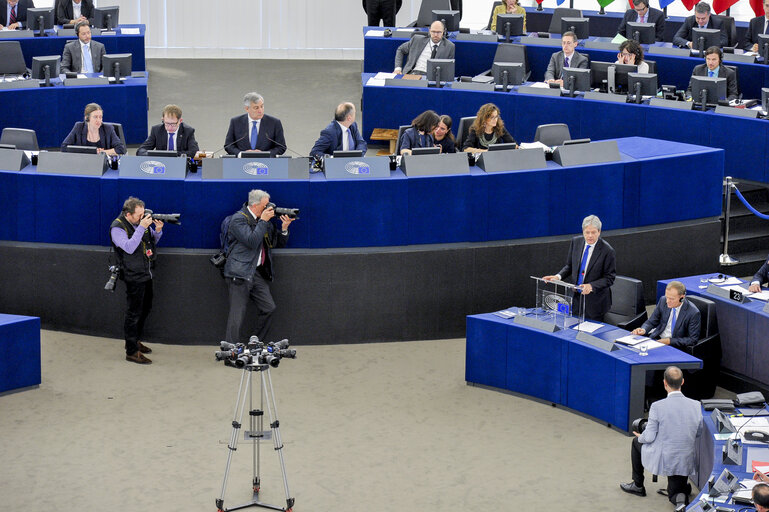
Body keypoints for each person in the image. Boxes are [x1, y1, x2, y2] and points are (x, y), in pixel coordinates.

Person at [620, 366, 703, 506]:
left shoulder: (657, 407)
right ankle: (682, 489)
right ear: (682, 382)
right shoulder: (696, 405)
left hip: (666, 458)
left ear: (664, 383)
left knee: (636, 442)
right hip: (685, 458)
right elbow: (698, 433)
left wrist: (641, 436)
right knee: (677, 488)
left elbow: (650, 437)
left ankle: (638, 485)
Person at [224, 189, 295, 344]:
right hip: (239, 273)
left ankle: (254, 341)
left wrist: (284, 228)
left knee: (269, 307)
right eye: (265, 205)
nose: (269, 208)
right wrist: (263, 221)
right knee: (237, 315)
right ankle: (230, 353)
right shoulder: (238, 219)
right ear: (255, 205)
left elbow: (275, 244)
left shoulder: (264, 222)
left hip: (256, 273)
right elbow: (251, 241)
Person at [110, 197, 164, 364]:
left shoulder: (142, 224)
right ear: (128, 214)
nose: (143, 217)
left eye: (144, 213)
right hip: (133, 275)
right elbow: (129, 247)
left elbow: (151, 241)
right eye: (139, 215)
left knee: (145, 308)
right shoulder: (117, 228)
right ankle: (131, 351)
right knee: (133, 313)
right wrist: (142, 227)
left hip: (146, 273)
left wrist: (158, 230)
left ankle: (136, 340)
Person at [543, 215, 616, 321]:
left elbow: (609, 278)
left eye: (593, 232)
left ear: (599, 232)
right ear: (583, 231)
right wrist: (558, 277)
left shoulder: (607, 251)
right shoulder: (576, 242)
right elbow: (570, 266)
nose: (590, 236)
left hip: (594, 303)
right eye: (587, 232)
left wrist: (591, 286)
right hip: (574, 298)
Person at [632, 281, 701, 349]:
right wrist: (643, 329)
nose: (667, 301)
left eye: (671, 299)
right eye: (667, 297)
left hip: (675, 345)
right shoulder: (663, 300)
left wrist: (669, 341)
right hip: (657, 339)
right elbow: (651, 321)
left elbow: (692, 340)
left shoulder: (693, 312)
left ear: (682, 298)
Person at [224, 92, 286, 157]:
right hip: (240, 163)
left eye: (262, 106)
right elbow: (228, 145)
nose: (260, 110)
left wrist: (265, 155)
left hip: (267, 164)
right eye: (256, 108)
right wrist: (241, 154)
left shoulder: (274, 123)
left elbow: (281, 147)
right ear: (247, 109)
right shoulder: (236, 122)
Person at [61, 103, 126, 156]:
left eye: (100, 117)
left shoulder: (108, 128)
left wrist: (103, 152)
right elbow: (64, 147)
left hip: (104, 164)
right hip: (83, 163)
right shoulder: (79, 127)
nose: (98, 120)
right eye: (95, 117)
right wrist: (85, 152)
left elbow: (121, 149)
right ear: (87, 118)